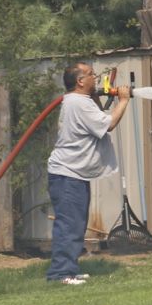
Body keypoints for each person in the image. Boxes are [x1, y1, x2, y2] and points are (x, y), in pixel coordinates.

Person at [45, 62, 130, 284]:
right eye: (92, 75)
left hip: (74, 174)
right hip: (67, 174)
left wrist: (98, 96)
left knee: (76, 224)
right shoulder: (78, 103)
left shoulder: (81, 102)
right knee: (69, 224)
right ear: (80, 81)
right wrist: (123, 100)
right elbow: (109, 123)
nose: (96, 78)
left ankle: (69, 269)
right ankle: (60, 274)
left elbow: (97, 117)